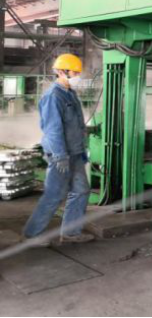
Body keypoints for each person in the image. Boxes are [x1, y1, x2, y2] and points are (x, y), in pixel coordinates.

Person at [23, 54, 94, 246]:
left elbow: (73, 123)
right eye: (75, 72)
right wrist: (60, 156)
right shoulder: (53, 96)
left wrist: (82, 138)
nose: (78, 76)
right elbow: (53, 129)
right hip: (60, 155)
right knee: (54, 195)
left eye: (78, 72)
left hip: (75, 153)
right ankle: (32, 235)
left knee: (81, 191)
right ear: (61, 72)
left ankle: (71, 233)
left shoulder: (70, 93)